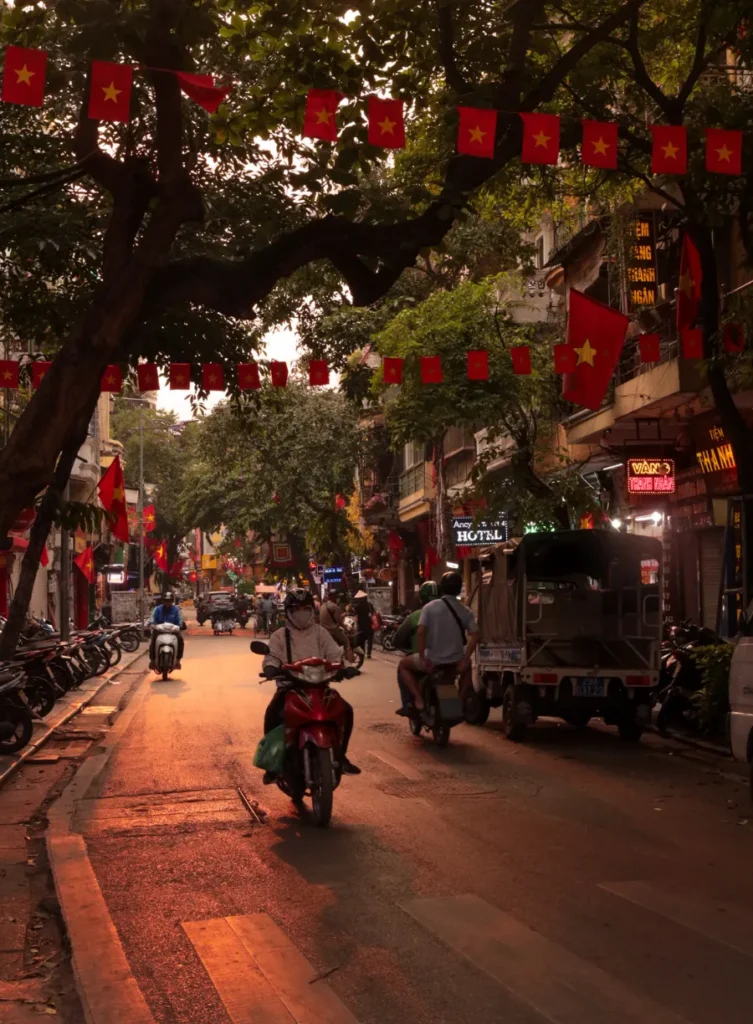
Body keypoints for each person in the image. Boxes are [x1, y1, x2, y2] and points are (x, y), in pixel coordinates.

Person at [260, 590, 360, 781]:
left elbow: (333, 654)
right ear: (288, 611)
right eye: (297, 609)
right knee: (273, 714)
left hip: (320, 686)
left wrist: (345, 668)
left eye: (306, 608)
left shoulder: (320, 632)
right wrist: (271, 668)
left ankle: (341, 755)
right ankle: (273, 764)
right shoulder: (280, 635)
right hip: (290, 687)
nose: (302, 613)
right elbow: (271, 656)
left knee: (346, 711)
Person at [398, 571, 479, 714]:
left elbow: (421, 632)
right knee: (468, 667)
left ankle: (418, 699)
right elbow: (476, 635)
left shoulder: (429, 608)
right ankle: (459, 700)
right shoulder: (465, 610)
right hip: (455, 660)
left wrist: (422, 657)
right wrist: (465, 659)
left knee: (403, 665)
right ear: (459, 589)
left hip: (432, 659)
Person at [393, 580, 439, 713]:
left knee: (402, 666)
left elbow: (398, 638)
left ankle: (412, 702)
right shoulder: (448, 613)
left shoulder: (415, 616)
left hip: (426, 659)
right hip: (448, 658)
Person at [149, 591, 186, 669]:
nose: (167, 602)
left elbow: (180, 620)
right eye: (166, 601)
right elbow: (152, 618)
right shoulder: (157, 609)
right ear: (163, 601)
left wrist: (181, 625)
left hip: (173, 632)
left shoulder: (176, 610)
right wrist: (152, 624)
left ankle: (178, 661)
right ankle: (152, 661)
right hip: (159, 631)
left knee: (180, 640)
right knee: (153, 642)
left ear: (172, 601)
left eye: (169, 601)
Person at [318, 589, 352, 659]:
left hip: (324, 631)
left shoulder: (323, 605)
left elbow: (332, 618)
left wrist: (342, 615)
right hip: (332, 631)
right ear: (334, 597)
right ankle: (349, 665)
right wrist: (346, 629)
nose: (338, 599)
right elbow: (339, 622)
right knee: (347, 643)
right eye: (337, 597)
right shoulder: (335, 607)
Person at [353, 590, 377, 659]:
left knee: (362, 640)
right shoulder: (369, 605)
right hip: (369, 625)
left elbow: (356, 618)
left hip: (361, 626)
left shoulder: (357, 606)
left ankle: (362, 653)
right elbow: (373, 614)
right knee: (370, 640)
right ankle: (369, 654)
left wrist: (356, 625)